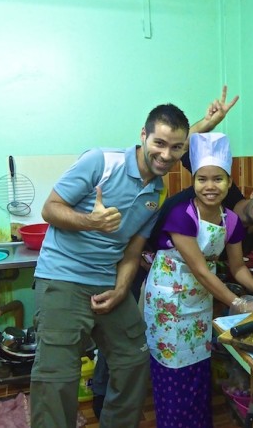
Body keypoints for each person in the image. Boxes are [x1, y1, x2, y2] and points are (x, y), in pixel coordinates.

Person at [29, 102, 192, 428]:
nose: (165, 154)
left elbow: (133, 251)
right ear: (143, 135)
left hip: (107, 280)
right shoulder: (102, 161)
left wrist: (121, 291)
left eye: (176, 148)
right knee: (57, 376)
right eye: (159, 143)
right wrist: (92, 221)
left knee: (133, 358)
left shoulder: (157, 193)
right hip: (63, 276)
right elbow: (50, 209)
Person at [143, 132, 253, 428]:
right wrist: (239, 302)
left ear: (229, 183)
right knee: (173, 374)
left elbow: (237, 268)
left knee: (198, 371)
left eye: (218, 179)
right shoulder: (182, 215)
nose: (210, 186)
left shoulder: (230, 221)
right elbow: (201, 270)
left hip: (200, 304)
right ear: (194, 182)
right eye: (202, 179)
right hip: (169, 306)